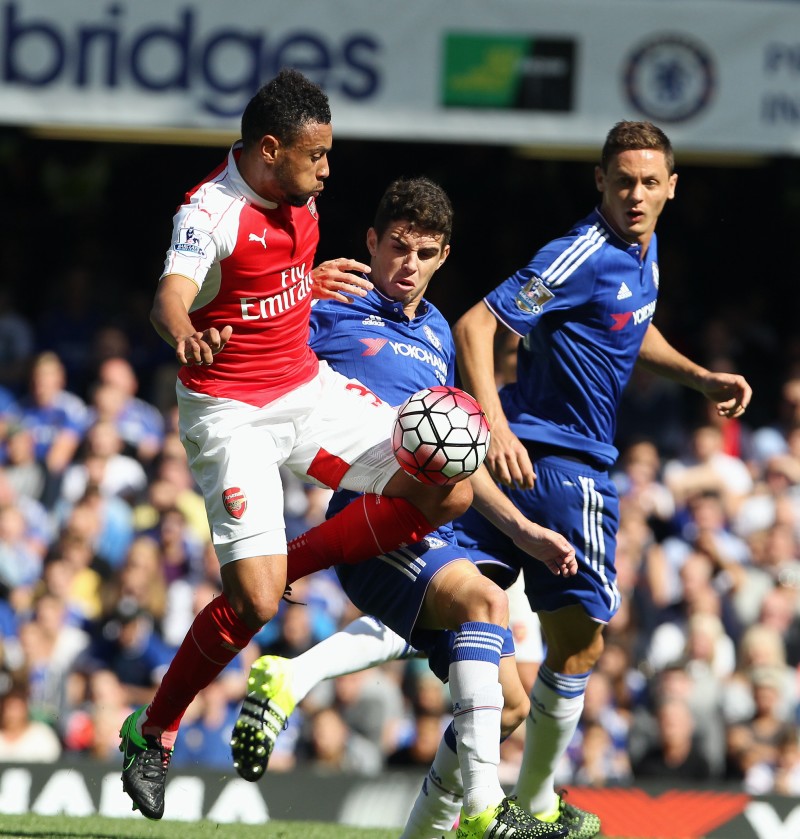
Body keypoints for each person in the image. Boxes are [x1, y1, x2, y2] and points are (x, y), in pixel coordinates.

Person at [118, 69, 474, 821]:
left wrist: (304, 283)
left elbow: (265, 283)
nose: (328, 169)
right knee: (252, 600)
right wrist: (186, 336)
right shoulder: (207, 213)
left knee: (449, 481)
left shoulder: (299, 195)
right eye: (317, 155)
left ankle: (297, 562)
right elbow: (170, 296)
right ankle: (152, 732)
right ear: (270, 150)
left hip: (304, 389)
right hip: (231, 413)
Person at [231, 175, 575, 839]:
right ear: (370, 241)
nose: (407, 264)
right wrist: (297, 288)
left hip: (432, 518)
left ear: (443, 256)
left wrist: (524, 529)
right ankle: (482, 810)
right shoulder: (333, 302)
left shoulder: (440, 334)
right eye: (396, 247)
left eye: (424, 252)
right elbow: (238, 326)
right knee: (483, 602)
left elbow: (454, 454)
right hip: (369, 512)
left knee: (508, 706)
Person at [450, 120, 753, 838]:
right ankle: (539, 802)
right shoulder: (582, 251)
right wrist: (492, 423)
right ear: (600, 183)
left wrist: (698, 377)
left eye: (650, 182)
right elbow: (474, 326)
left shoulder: (639, 254)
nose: (637, 194)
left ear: (671, 187)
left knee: (464, 616)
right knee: (582, 646)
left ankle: (494, 796)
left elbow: (627, 328)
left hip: (539, 461)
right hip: (559, 467)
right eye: (623, 182)